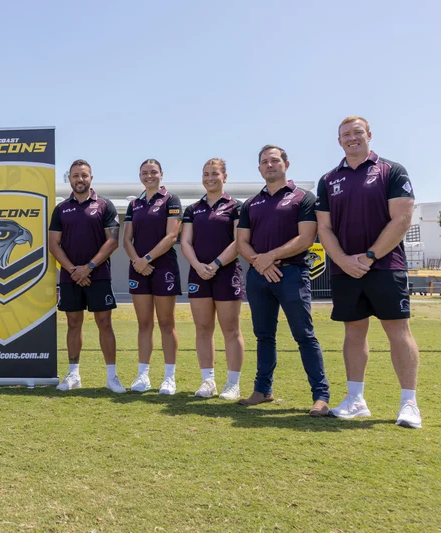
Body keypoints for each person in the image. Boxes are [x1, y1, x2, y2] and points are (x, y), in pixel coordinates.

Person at [316, 116, 421, 428]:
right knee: (353, 331)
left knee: (397, 331)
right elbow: (324, 228)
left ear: (369, 135)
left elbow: (402, 218)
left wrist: (371, 256)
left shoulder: (391, 170)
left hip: (386, 266)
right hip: (345, 270)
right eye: (345, 134)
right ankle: (355, 400)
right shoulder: (328, 179)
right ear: (339, 141)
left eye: (357, 132)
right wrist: (344, 260)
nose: (352, 138)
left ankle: (409, 404)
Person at [236, 145, 330, 416]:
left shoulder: (303, 198)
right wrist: (259, 263)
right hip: (258, 276)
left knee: (304, 335)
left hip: (291, 274)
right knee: (264, 336)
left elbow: (306, 238)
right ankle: (263, 390)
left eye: (274, 160)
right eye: (264, 162)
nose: (269, 165)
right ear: (259, 169)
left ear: (286, 164)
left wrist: (270, 258)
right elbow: (241, 242)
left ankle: (320, 397)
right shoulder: (251, 204)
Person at [49, 159, 124, 393]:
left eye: (84, 175)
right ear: (69, 179)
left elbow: (112, 241)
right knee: (73, 323)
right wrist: (74, 270)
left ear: (91, 178)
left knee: (104, 323)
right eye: (75, 176)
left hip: (98, 275)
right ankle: (73, 375)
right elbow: (53, 244)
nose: (79, 179)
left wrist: (88, 267)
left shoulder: (104, 205)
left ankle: (112, 377)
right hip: (70, 277)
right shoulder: (61, 209)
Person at [180, 158, 245, 400]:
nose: (210, 178)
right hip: (199, 273)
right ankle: (208, 381)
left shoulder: (236, 206)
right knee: (203, 328)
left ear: (224, 176)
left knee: (231, 329)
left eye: (215, 173)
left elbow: (239, 242)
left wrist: (216, 264)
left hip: (226, 272)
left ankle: (233, 383)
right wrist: (198, 266)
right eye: (206, 174)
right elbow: (185, 242)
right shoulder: (192, 209)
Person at [123, 159, 182, 395]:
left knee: (167, 324)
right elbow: (126, 240)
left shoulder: (171, 200)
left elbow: (171, 236)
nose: (149, 176)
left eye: (153, 172)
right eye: (145, 173)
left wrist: (145, 259)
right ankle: (143, 376)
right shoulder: (134, 204)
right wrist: (137, 261)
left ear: (161, 174)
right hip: (138, 269)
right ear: (140, 176)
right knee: (144, 324)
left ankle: (169, 378)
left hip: (163, 267)